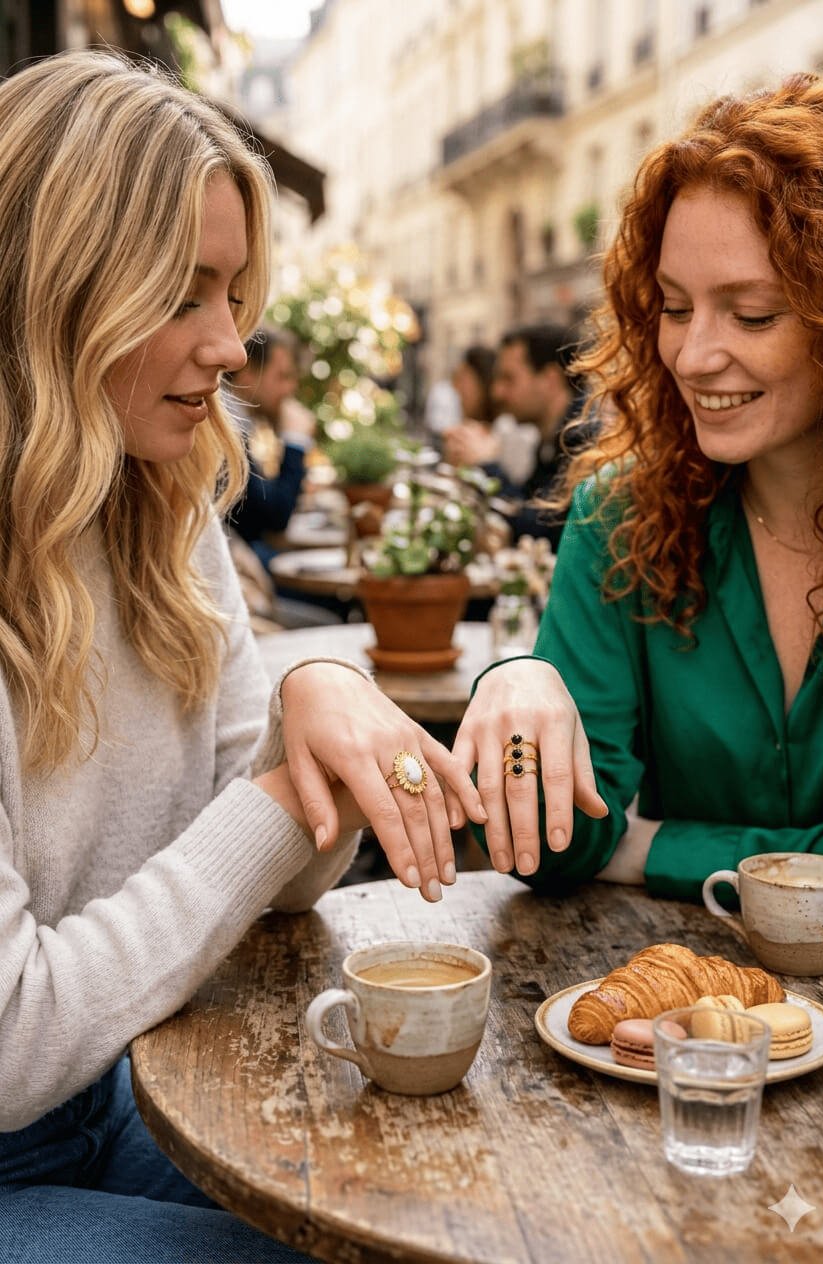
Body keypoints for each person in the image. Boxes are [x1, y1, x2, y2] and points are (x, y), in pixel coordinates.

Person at [0, 50, 485, 1263]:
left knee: (436, 1214)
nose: (231, 343)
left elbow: (267, 882)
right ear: (58, 292)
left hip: (123, 1088)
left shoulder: (160, 512)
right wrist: (278, 788)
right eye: (186, 292)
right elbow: (10, 1041)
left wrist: (313, 693)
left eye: (235, 293)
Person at [448, 73, 823, 905]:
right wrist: (520, 692)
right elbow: (546, 845)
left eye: (754, 314)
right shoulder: (624, 512)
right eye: (673, 307)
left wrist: (652, 847)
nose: (695, 355)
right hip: (684, 1026)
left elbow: (612, 847)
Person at [448, 324, 595, 547]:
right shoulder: (553, 436)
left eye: (509, 379)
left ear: (549, 380)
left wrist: (487, 466)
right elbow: (529, 504)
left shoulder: (584, 436)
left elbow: (548, 528)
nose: (497, 392)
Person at [226, 328, 314, 570]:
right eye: (282, 377)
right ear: (246, 374)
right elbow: (275, 516)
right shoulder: (225, 427)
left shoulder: (239, 423)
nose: (290, 389)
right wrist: (295, 441)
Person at [443, 344, 539, 487]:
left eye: (462, 379)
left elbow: (516, 497)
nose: (456, 387)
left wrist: (483, 462)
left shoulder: (512, 429)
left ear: (482, 381)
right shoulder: (486, 428)